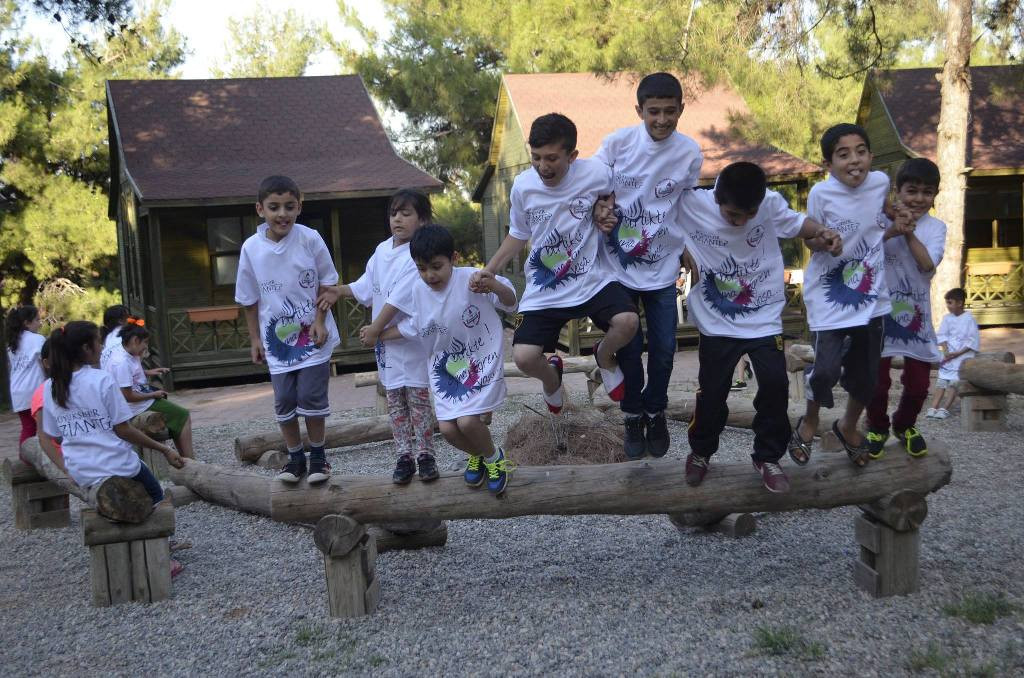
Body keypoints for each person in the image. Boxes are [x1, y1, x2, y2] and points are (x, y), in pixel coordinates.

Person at [676, 162, 842, 493]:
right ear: (716, 199)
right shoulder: (692, 204)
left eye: (750, 214)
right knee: (712, 393)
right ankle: (700, 452)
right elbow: (655, 210)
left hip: (763, 316)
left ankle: (767, 456)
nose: (743, 221)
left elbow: (797, 224)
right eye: (734, 215)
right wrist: (680, 248)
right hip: (717, 320)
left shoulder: (769, 204)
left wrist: (822, 231)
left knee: (775, 384)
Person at [476, 113, 639, 415]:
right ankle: (552, 380)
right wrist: (492, 267)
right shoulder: (523, 186)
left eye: (551, 158)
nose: (542, 166)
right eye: (536, 157)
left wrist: (605, 208)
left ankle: (603, 355)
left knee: (628, 322)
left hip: (591, 278)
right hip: (545, 286)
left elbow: (612, 190)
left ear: (572, 156)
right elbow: (518, 233)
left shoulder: (595, 173)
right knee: (524, 357)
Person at [592, 72, 703, 459]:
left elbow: (687, 205)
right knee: (628, 343)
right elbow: (590, 185)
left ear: (681, 110)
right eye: (653, 111)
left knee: (666, 348)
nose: (661, 119)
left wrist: (690, 245)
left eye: (670, 112)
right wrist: (600, 208)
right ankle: (631, 413)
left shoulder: (689, 152)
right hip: (618, 264)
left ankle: (654, 410)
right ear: (638, 110)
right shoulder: (617, 144)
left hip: (661, 265)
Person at [378, 225, 518, 496]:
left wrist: (495, 284)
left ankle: (494, 458)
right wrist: (382, 334)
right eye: (421, 268)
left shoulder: (472, 279)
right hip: (448, 369)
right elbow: (416, 326)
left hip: (480, 361)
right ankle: (477, 454)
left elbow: (510, 302)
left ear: (454, 258)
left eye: (436, 266)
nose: (429, 275)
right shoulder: (418, 291)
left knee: (467, 423)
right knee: (448, 430)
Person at [788, 123, 891, 467]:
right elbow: (809, 238)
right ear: (829, 163)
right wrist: (825, 240)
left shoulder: (880, 183)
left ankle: (848, 425)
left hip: (872, 296)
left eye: (861, 151)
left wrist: (900, 215)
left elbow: (884, 211)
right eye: (843, 154)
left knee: (867, 378)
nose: (854, 160)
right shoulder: (821, 194)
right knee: (826, 370)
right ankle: (811, 420)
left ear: (871, 155)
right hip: (830, 298)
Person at [317, 190, 436, 485]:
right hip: (387, 346)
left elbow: (398, 299)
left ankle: (425, 454)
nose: (398, 218)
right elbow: (366, 285)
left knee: (418, 401)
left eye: (406, 213)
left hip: (410, 340)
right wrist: (339, 291)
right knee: (394, 400)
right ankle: (403, 455)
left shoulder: (417, 255)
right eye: (394, 213)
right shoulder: (382, 250)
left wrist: (375, 330)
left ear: (422, 220)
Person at [236, 175, 340, 485]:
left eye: (289, 206)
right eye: (274, 207)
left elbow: (328, 284)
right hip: (277, 343)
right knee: (284, 400)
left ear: (299, 207)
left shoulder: (309, 239)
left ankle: (319, 456)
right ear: (260, 209)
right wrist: (255, 339)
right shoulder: (251, 249)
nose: (282, 214)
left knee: (311, 396)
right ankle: (295, 458)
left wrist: (320, 321)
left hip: (312, 336)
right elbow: (249, 299)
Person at [40, 321, 183, 507]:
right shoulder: (101, 380)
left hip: (81, 472)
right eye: (99, 342)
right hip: (116, 465)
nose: (102, 347)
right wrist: (164, 449)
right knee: (156, 494)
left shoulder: (49, 387)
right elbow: (123, 430)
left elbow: (51, 437)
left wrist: (67, 470)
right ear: (86, 348)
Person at [865, 158, 946, 457]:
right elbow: (864, 251)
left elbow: (927, 264)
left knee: (918, 386)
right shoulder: (880, 220)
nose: (919, 199)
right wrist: (891, 229)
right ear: (897, 191)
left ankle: (904, 424)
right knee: (877, 382)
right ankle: (876, 426)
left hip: (917, 318)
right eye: (912, 191)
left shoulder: (936, 228)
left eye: (927, 192)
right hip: (879, 314)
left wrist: (909, 232)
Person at [105, 321, 196, 459]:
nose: (146, 347)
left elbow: (130, 376)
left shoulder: (123, 352)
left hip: (140, 399)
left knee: (176, 414)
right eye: (145, 343)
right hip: (136, 407)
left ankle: (184, 457)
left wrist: (149, 372)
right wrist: (153, 394)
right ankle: (190, 460)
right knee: (183, 415)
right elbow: (128, 396)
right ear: (135, 340)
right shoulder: (121, 363)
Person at [927, 288, 979, 419]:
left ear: (960, 303)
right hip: (948, 355)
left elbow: (972, 341)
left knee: (954, 383)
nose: (948, 306)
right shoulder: (947, 318)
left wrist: (957, 353)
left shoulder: (969, 319)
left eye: (950, 302)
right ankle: (934, 406)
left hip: (962, 355)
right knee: (942, 380)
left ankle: (945, 408)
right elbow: (942, 335)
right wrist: (946, 350)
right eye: (947, 303)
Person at [6, 305, 46, 449]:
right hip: (34, 390)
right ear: (26, 323)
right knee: (44, 428)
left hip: (17, 391)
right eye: (37, 320)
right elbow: (45, 363)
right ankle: (37, 460)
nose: (40, 323)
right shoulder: (38, 339)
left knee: (28, 428)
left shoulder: (12, 344)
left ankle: (26, 459)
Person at [99, 304, 131, 369]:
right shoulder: (124, 338)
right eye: (129, 316)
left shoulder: (108, 337)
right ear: (120, 321)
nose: (131, 318)